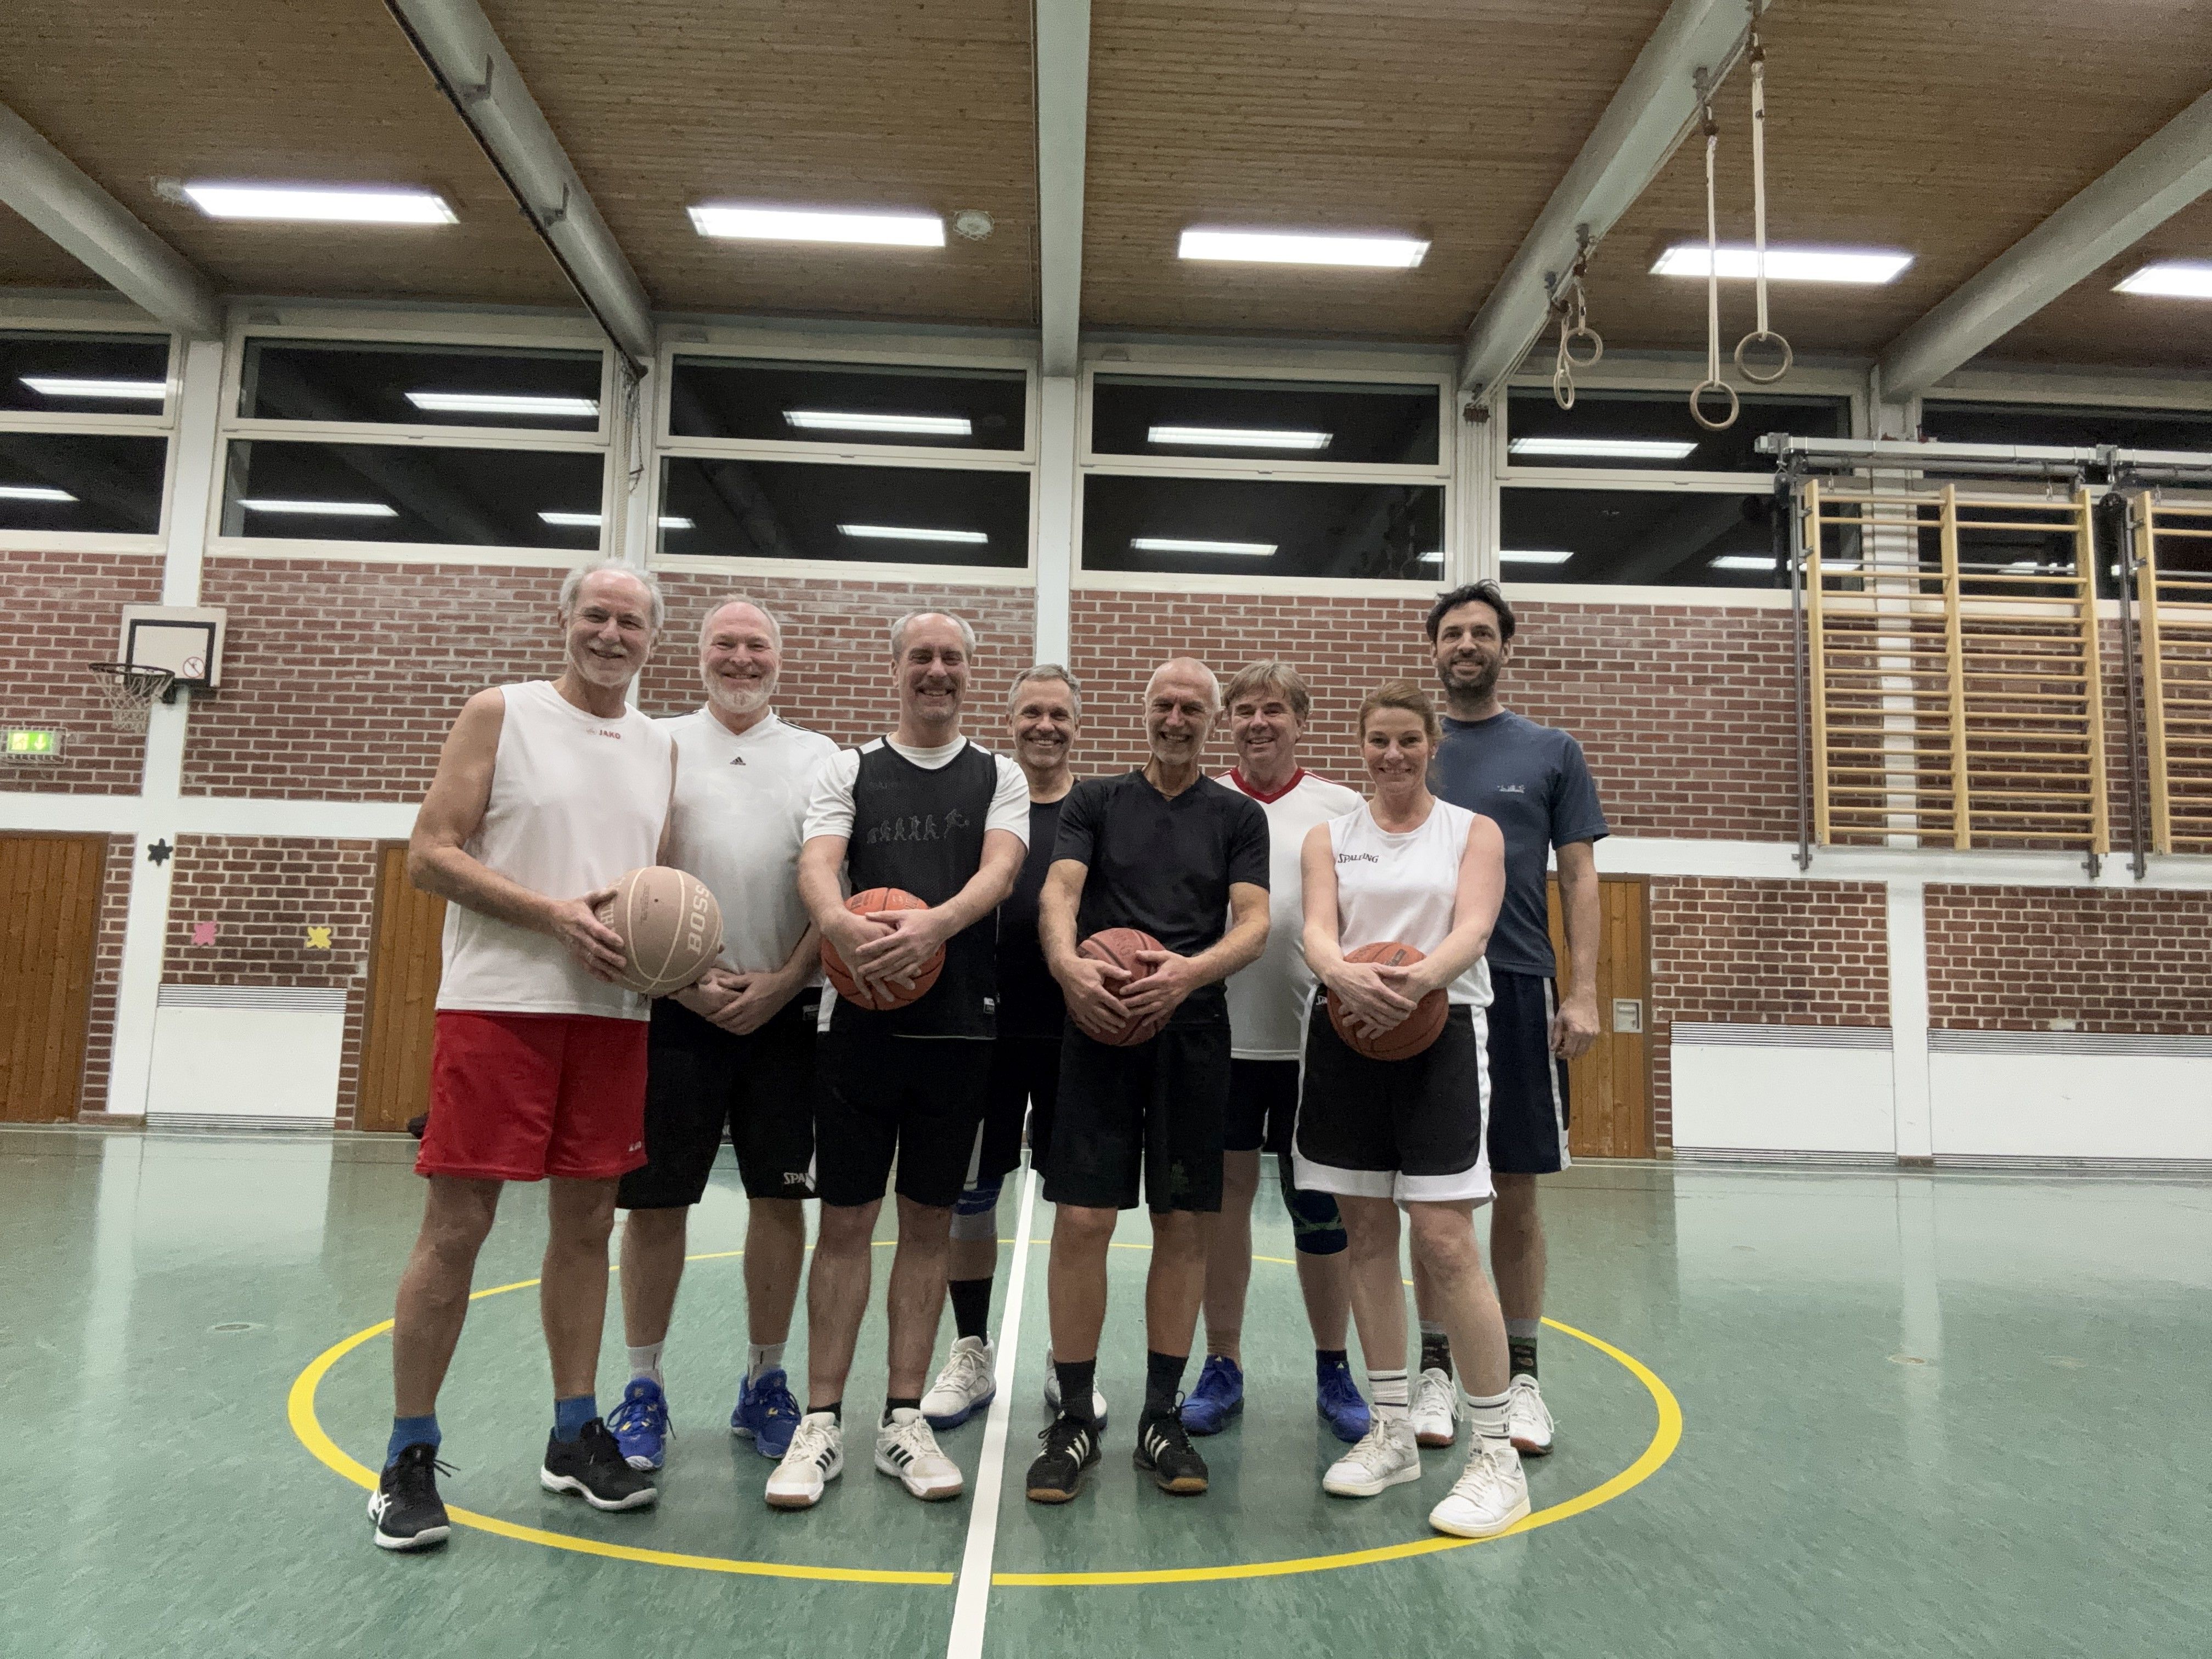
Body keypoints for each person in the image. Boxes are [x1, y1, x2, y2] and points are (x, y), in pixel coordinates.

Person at [371, 561, 675, 1552]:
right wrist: (552, 915)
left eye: (631, 622)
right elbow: (430, 853)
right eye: (598, 615)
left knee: (587, 1227)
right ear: (566, 619)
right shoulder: (500, 713)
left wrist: (683, 964)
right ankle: (408, 1455)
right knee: (457, 1227)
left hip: (614, 1015)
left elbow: (657, 893)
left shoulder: (659, 746)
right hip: (498, 1007)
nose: (612, 634)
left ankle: (574, 1432)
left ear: (652, 639)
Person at [770, 611, 1028, 1509]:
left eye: (952, 657)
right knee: (844, 1226)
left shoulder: (998, 774)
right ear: (896, 668)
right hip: (859, 1028)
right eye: (922, 656)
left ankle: (903, 1418)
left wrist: (933, 927)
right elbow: (818, 864)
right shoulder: (849, 769)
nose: (937, 670)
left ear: (969, 672)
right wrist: (838, 923)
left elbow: (1000, 873)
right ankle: (820, 1422)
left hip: (960, 1030)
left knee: (928, 1226)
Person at [1025, 658, 1269, 1504]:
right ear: (1143, 712)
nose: (1176, 718)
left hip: (1191, 1032)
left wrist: (1188, 974)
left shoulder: (1237, 816)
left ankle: (1161, 1418)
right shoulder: (1095, 803)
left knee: (1184, 1223)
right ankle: (1072, 1418)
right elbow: (1059, 895)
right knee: (1083, 1219)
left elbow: (1255, 923)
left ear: (1213, 721)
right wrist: (1067, 967)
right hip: (1097, 1027)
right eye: (1164, 704)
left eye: (1193, 708)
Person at [605, 597, 839, 1473]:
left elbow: (834, 887)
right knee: (656, 1203)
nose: (741, 659)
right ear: (697, 655)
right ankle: (643, 1386)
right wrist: (682, 983)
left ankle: (765, 1380)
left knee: (780, 1201)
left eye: (757, 646)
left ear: (780, 658)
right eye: (725, 644)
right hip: (675, 1010)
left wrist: (785, 982)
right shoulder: (655, 743)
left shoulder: (820, 758)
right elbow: (628, 878)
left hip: (787, 1012)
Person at [1295, 679, 1528, 1538]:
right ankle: (1391, 1429)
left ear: (1433, 744)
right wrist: (1344, 975)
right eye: (1378, 740)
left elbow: (1474, 929)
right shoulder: (1330, 836)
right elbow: (1317, 931)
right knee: (1363, 1235)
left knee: (1444, 1239)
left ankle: (1496, 1454)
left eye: (1407, 740)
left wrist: (1413, 983)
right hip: (1346, 1033)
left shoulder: (1473, 831)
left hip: (1442, 1033)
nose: (1392, 754)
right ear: (1361, 747)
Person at [1412, 582, 1607, 1459]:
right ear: (1434, 649)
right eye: (1453, 632)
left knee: (1517, 1190)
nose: (1467, 644)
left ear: (1505, 646)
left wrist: (1584, 990)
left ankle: (1523, 1377)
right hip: (1433, 995)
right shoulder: (1415, 748)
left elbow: (1580, 876)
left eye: (1481, 632)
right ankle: (1434, 1370)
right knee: (1430, 1194)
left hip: (1523, 987)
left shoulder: (1553, 751)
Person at [1183, 661, 1368, 1442]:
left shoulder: (1341, 808)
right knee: (1222, 1207)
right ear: (1228, 721)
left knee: (1318, 1207)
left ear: (1300, 721)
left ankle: (1334, 1368)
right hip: (1218, 1039)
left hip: (1313, 1044)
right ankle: (1222, 1363)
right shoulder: (1202, 801)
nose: (1258, 723)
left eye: (1274, 710)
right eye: (1245, 710)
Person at [920, 664, 1108, 1430]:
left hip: (1072, 1031)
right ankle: (970, 1350)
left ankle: (1069, 1362)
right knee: (973, 1195)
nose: (1045, 726)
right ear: (1010, 722)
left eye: (1059, 714)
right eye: (1032, 712)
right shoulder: (984, 805)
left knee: (1075, 1204)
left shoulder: (1095, 811)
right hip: (982, 1028)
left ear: (1077, 725)